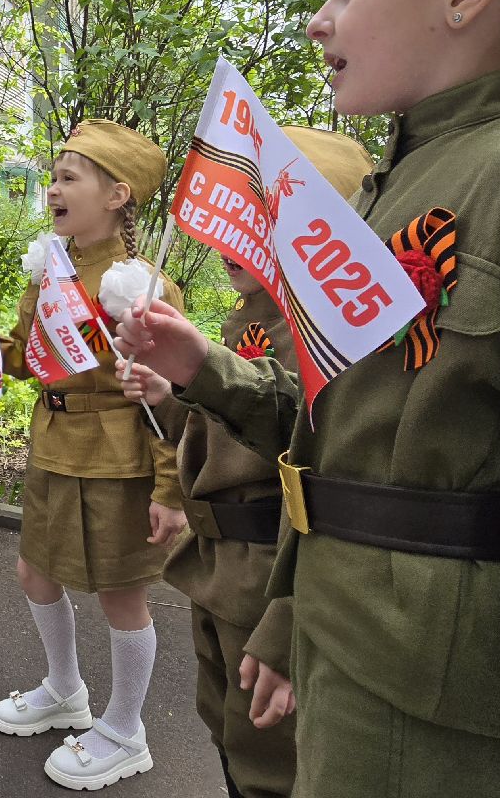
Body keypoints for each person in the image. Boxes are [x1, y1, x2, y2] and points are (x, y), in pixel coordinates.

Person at [113, 0, 500, 796]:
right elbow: (336, 438)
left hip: (449, 720)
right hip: (350, 667)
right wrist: (297, 610)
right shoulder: (393, 190)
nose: (320, 17)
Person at [120, 127, 371, 798]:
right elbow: (224, 435)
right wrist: (170, 396)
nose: (226, 236)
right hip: (222, 568)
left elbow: (324, 463)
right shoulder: (248, 315)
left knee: (274, 763)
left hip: (270, 573)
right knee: (231, 736)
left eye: (255, 219)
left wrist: (288, 613)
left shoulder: (323, 327)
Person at [0, 120, 188, 792]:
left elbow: (168, 398)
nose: (52, 189)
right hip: (53, 447)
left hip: (119, 458)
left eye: (69, 177)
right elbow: (28, 359)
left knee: (122, 597)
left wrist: (169, 490)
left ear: (118, 193)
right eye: (54, 176)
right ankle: (65, 691)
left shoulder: (142, 285)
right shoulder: (50, 266)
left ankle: (125, 730)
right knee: (35, 574)